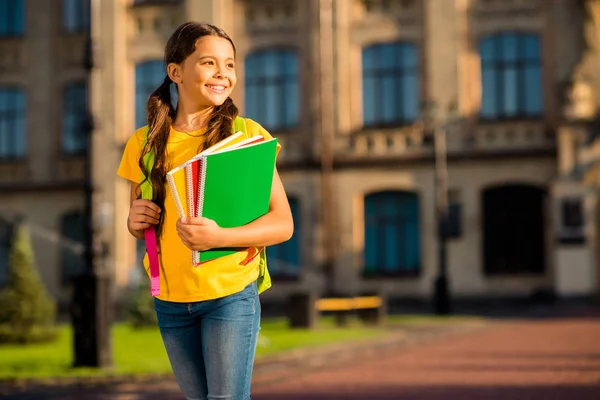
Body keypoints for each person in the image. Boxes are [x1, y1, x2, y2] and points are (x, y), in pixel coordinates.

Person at [117, 21, 294, 399]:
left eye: (229, 64)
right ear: (176, 72)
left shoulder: (246, 136)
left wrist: (219, 238)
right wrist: (134, 222)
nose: (222, 74)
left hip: (229, 293)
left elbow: (283, 223)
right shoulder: (143, 143)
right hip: (169, 299)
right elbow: (143, 219)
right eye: (209, 63)